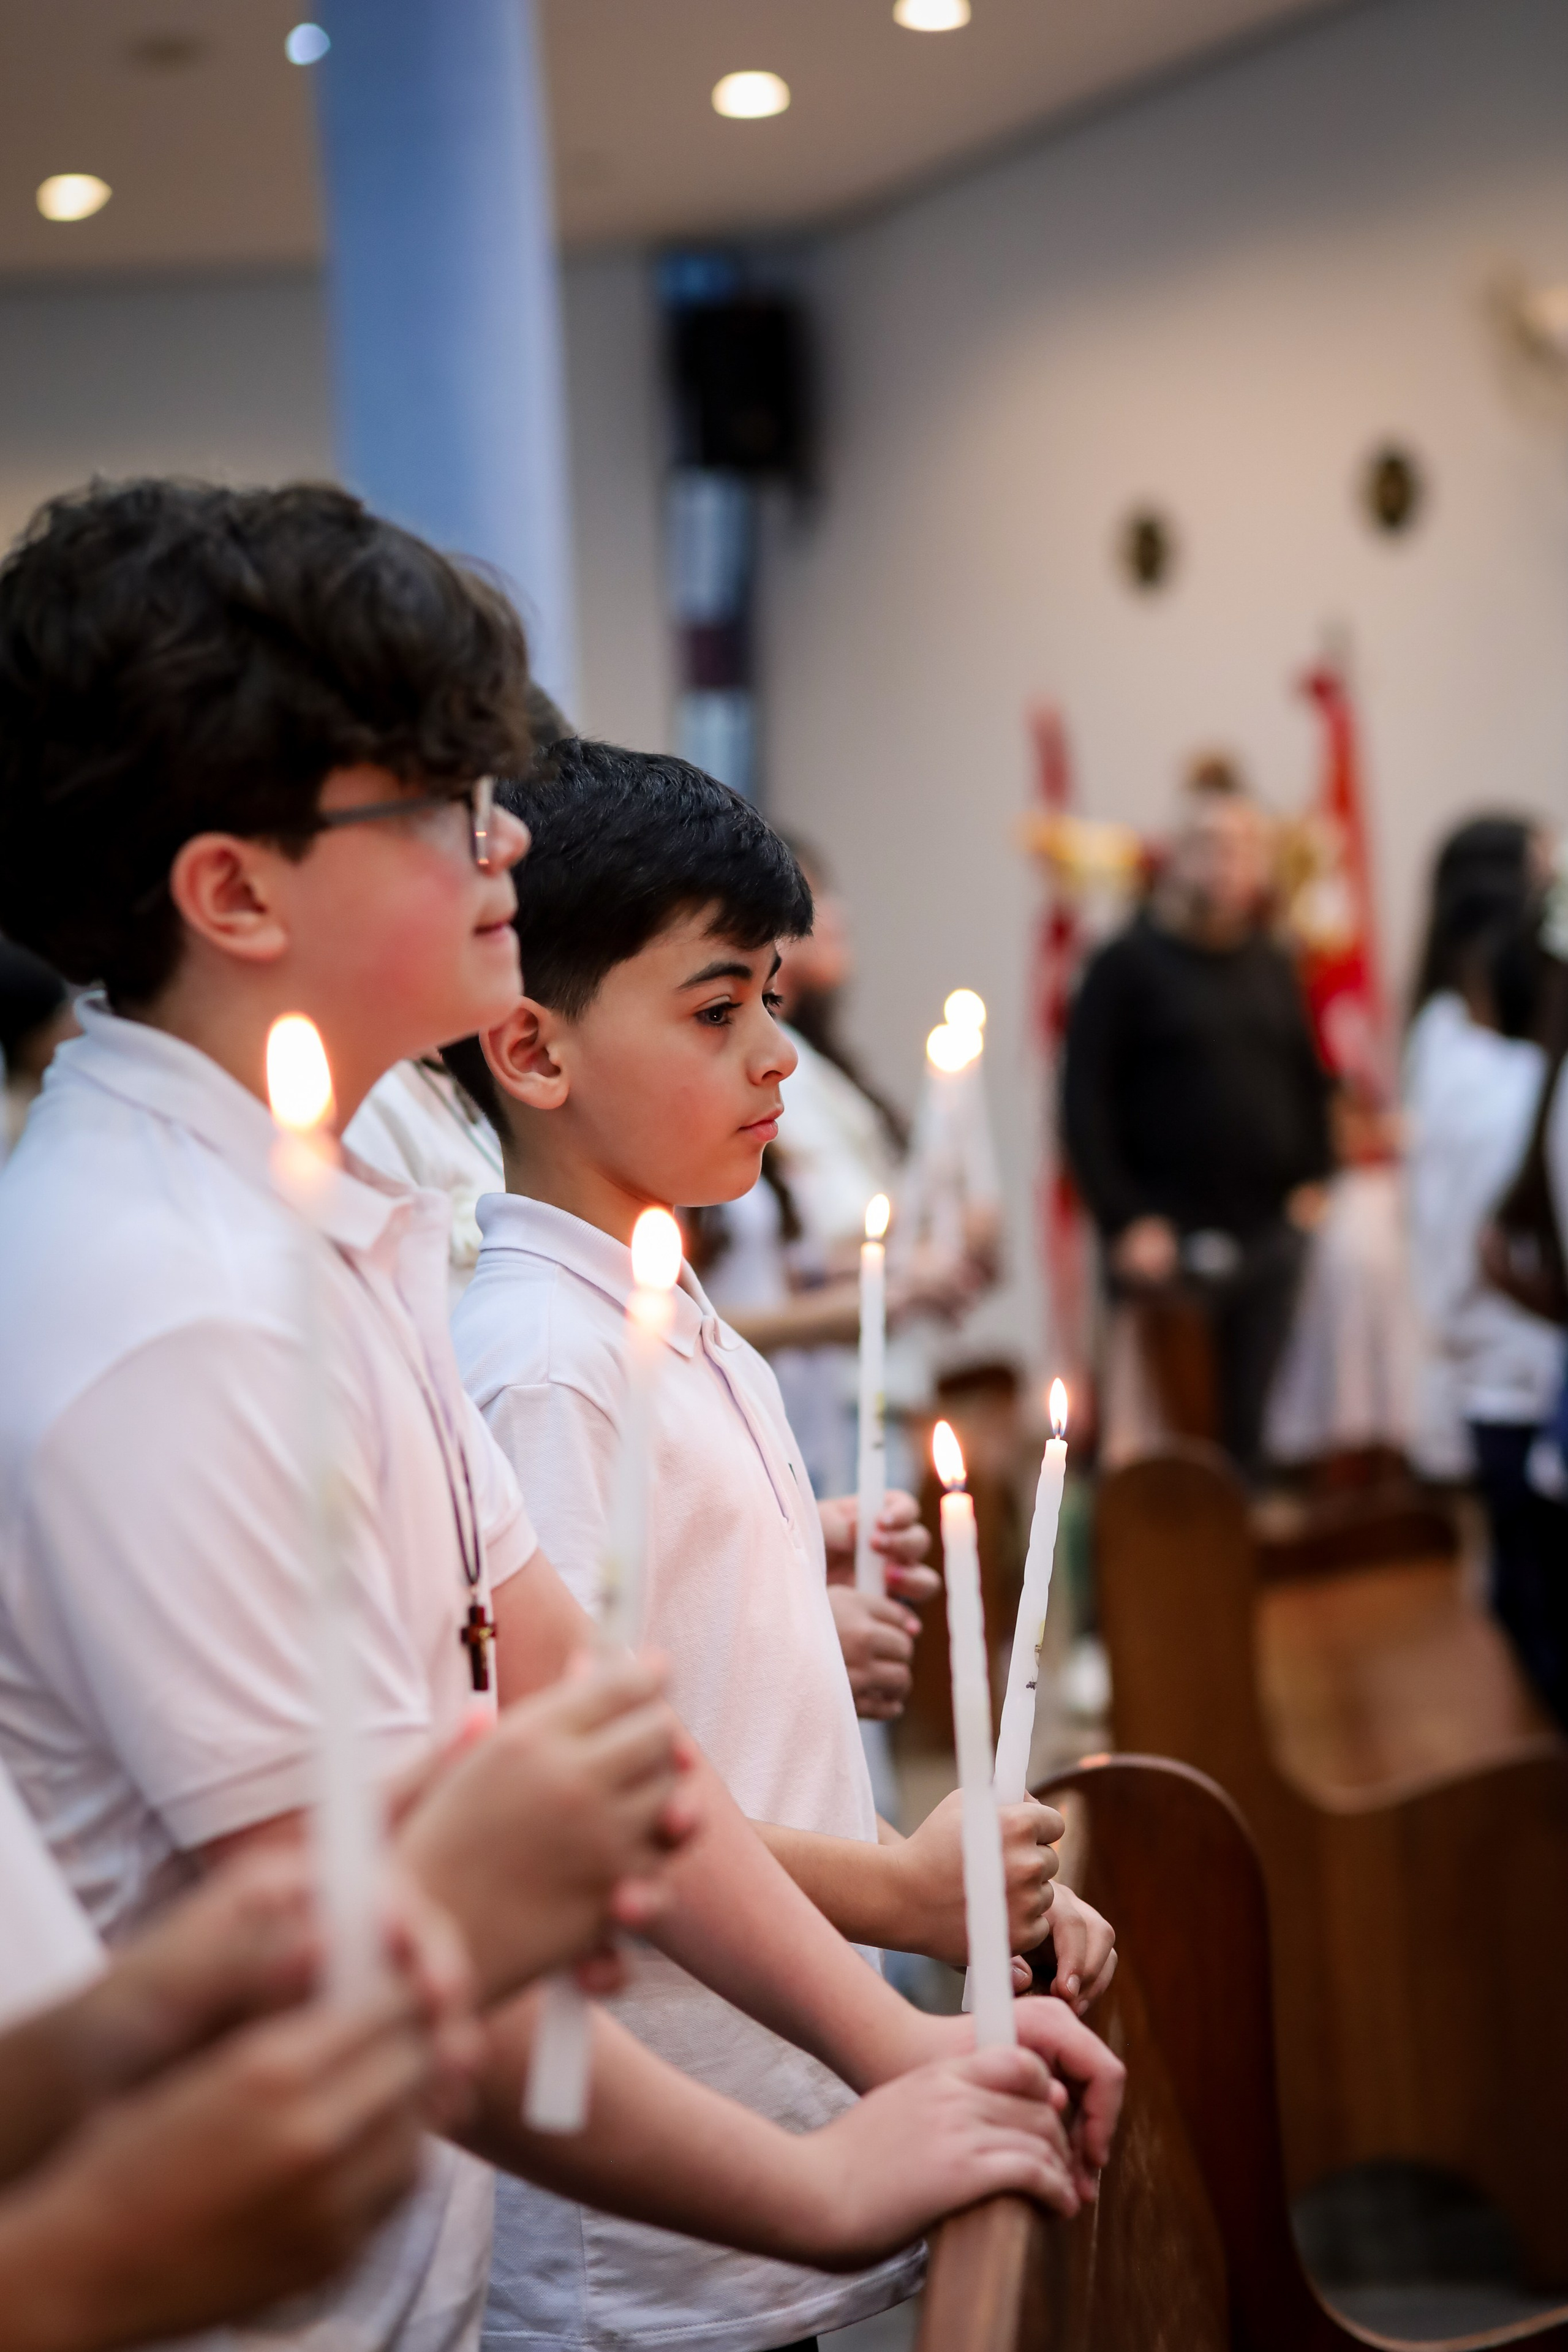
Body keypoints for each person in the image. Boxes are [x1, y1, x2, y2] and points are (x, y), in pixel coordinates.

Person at [0, 481, 1120, 2346]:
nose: (504, 833)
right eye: (440, 801)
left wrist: (897, 2049)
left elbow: (603, 1745)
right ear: (234, 887)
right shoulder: (167, 1304)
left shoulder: (327, 1200)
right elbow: (379, 1942)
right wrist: (819, 2181)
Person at [443, 739, 1120, 2352]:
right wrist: (901, 1894)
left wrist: (800, 1614)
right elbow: (591, 1823)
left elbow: (666, 1686)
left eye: (780, 1006)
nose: (775, 1063)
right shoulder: (543, 1360)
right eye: (716, 1009)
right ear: (532, 1049)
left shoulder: (668, 1312)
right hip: (655, 2217)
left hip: (770, 2101)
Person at [1063, 761, 1333, 1474]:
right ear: (1174, 853)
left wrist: (1314, 1181)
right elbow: (1082, 1103)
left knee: (1253, 1441)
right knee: (1167, 1453)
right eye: (1209, 845)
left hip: (1269, 1237)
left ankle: (1242, 1574)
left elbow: (1307, 1081)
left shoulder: (1273, 961)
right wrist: (1124, 1221)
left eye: (1244, 847)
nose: (1226, 862)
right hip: (1163, 1248)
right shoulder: (1123, 964)